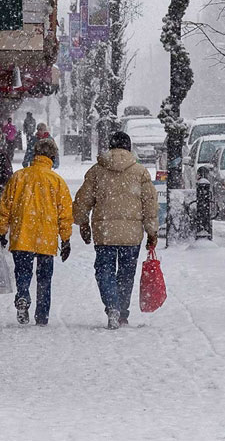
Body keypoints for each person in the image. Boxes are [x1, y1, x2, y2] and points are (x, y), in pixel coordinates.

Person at [73, 130, 158, 329]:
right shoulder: (140, 172)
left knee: (104, 271)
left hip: (105, 232)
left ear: (110, 147)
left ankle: (112, 306)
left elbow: (82, 201)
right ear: (129, 148)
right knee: (126, 274)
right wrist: (152, 232)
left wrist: (83, 223)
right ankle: (122, 313)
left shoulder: (96, 171)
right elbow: (150, 204)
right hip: (131, 234)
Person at [0, 137, 73, 326]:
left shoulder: (19, 177)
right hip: (46, 236)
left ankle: (23, 296)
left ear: (35, 154)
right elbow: (65, 213)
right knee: (44, 277)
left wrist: (1, 230)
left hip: (22, 234)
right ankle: (42, 315)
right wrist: (66, 238)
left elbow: (5, 206)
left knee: (23, 272)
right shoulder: (57, 181)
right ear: (52, 156)